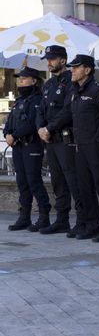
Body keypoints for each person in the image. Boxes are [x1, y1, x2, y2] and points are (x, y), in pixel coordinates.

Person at [64, 55, 99, 241]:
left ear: (87, 70)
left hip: (96, 147)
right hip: (80, 147)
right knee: (85, 187)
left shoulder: (98, 91)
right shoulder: (75, 91)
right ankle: (92, 225)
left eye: (76, 67)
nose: (72, 70)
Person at [35, 45, 80, 235]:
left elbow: (68, 110)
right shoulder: (48, 84)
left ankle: (83, 220)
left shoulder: (72, 81)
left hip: (65, 139)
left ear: (63, 60)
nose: (49, 62)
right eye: (48, 59)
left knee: (72, 180)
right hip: (50, 140)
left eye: (52, 59)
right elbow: (41, 110)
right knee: (57, 181)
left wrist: (49, 127)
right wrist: (40, 128)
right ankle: (62, 220)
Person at [4, 67, 50, 231]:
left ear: (34, 80)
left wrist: (14, 135)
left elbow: (32, 123)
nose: (20, 80)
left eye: (24, 78)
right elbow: (10, 122)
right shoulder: (19, 101)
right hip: (18, 147)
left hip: (31, 145)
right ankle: (24, 217)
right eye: (19, 78)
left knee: (34, 181)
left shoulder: (37, 100)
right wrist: (7, 134)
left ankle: (44, 217)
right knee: (22, 183)